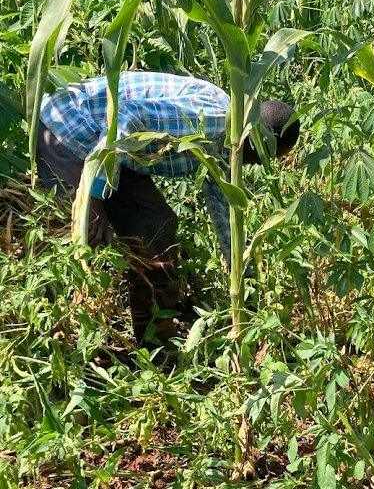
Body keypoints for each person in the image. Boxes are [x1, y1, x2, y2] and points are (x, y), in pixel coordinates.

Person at [35, 71, 299, 346]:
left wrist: (246, 287)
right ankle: (50, 337)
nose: (257, 165)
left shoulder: (227, 148)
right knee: (78, 236)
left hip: (115, 148)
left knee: (157, 228)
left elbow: (225, 217)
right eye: (264, 155)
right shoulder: (211, 121)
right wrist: (93, 194)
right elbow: (127, 118)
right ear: (257, 137)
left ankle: (154, 342)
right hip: (70, 128)